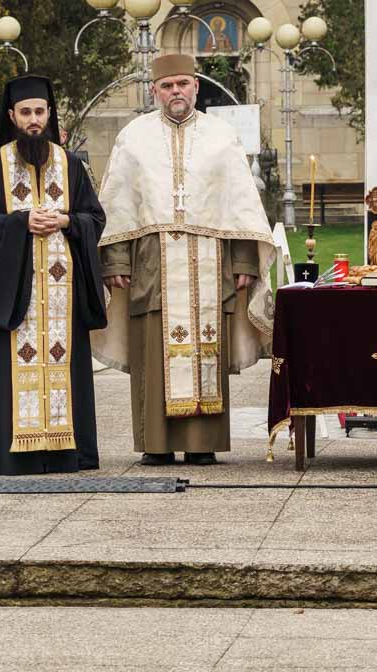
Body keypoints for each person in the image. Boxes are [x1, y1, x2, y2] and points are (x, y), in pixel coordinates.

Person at [96, 54, 272, 466]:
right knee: (152, 351)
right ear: (154, 90)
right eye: (167, 85)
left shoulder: (221, 136)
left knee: (208, 348)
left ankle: (202, 443)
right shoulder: (133, 137)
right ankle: (155, 444)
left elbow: (241, 204)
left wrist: (245, 260)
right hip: (152, 264)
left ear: (196, 86)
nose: (175, 91)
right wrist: (116, 261)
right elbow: (119, 203)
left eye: (182, 84)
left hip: (211, 263)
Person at [0, 75, 108, 475]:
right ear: (12, 116)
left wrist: (66, 219)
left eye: (40, 112)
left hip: (61, 297)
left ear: (49, 114)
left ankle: (64, 453)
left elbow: (95, 217)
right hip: (14, 292)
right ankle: (5, 454)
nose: (34, 120)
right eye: (26, 113)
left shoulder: (70, 164)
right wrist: (20, 223)